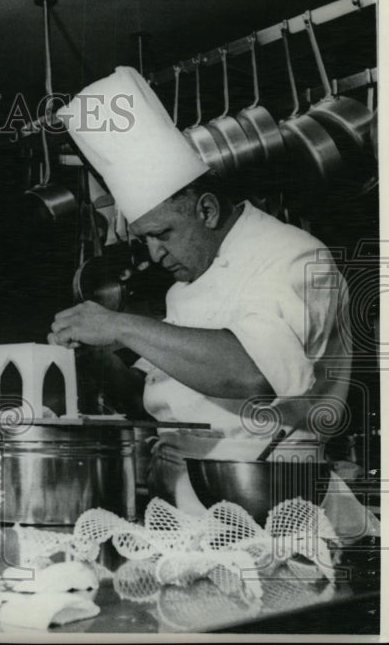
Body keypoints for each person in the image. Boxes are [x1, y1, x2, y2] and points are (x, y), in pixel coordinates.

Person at [48, 66, 374, 539]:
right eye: (145, 240)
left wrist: (121, 326)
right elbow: (184, 384)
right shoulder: (186, 285)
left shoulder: (293, 255)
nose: (156, 254)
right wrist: (112, 349)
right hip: (192, 508)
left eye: (162, 235)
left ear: (206, 209)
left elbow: (250, 371)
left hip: (278, 510)